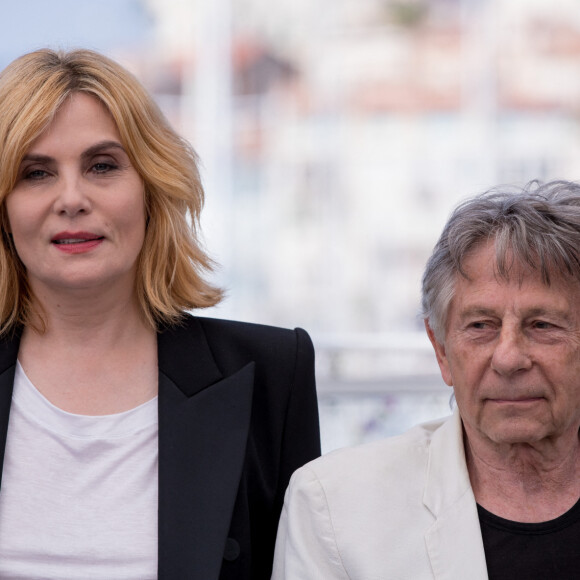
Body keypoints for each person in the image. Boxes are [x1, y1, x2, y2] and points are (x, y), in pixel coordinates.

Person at [0, 48, 320, 580]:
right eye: (36, 173)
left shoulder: (271, 373)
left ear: (152, 186)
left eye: (102, 166)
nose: (72, 198)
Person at [272, 180, 580, 579]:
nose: (508, 358)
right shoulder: (334, 507)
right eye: (481, 325)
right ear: (441, 350)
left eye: (542, 325)